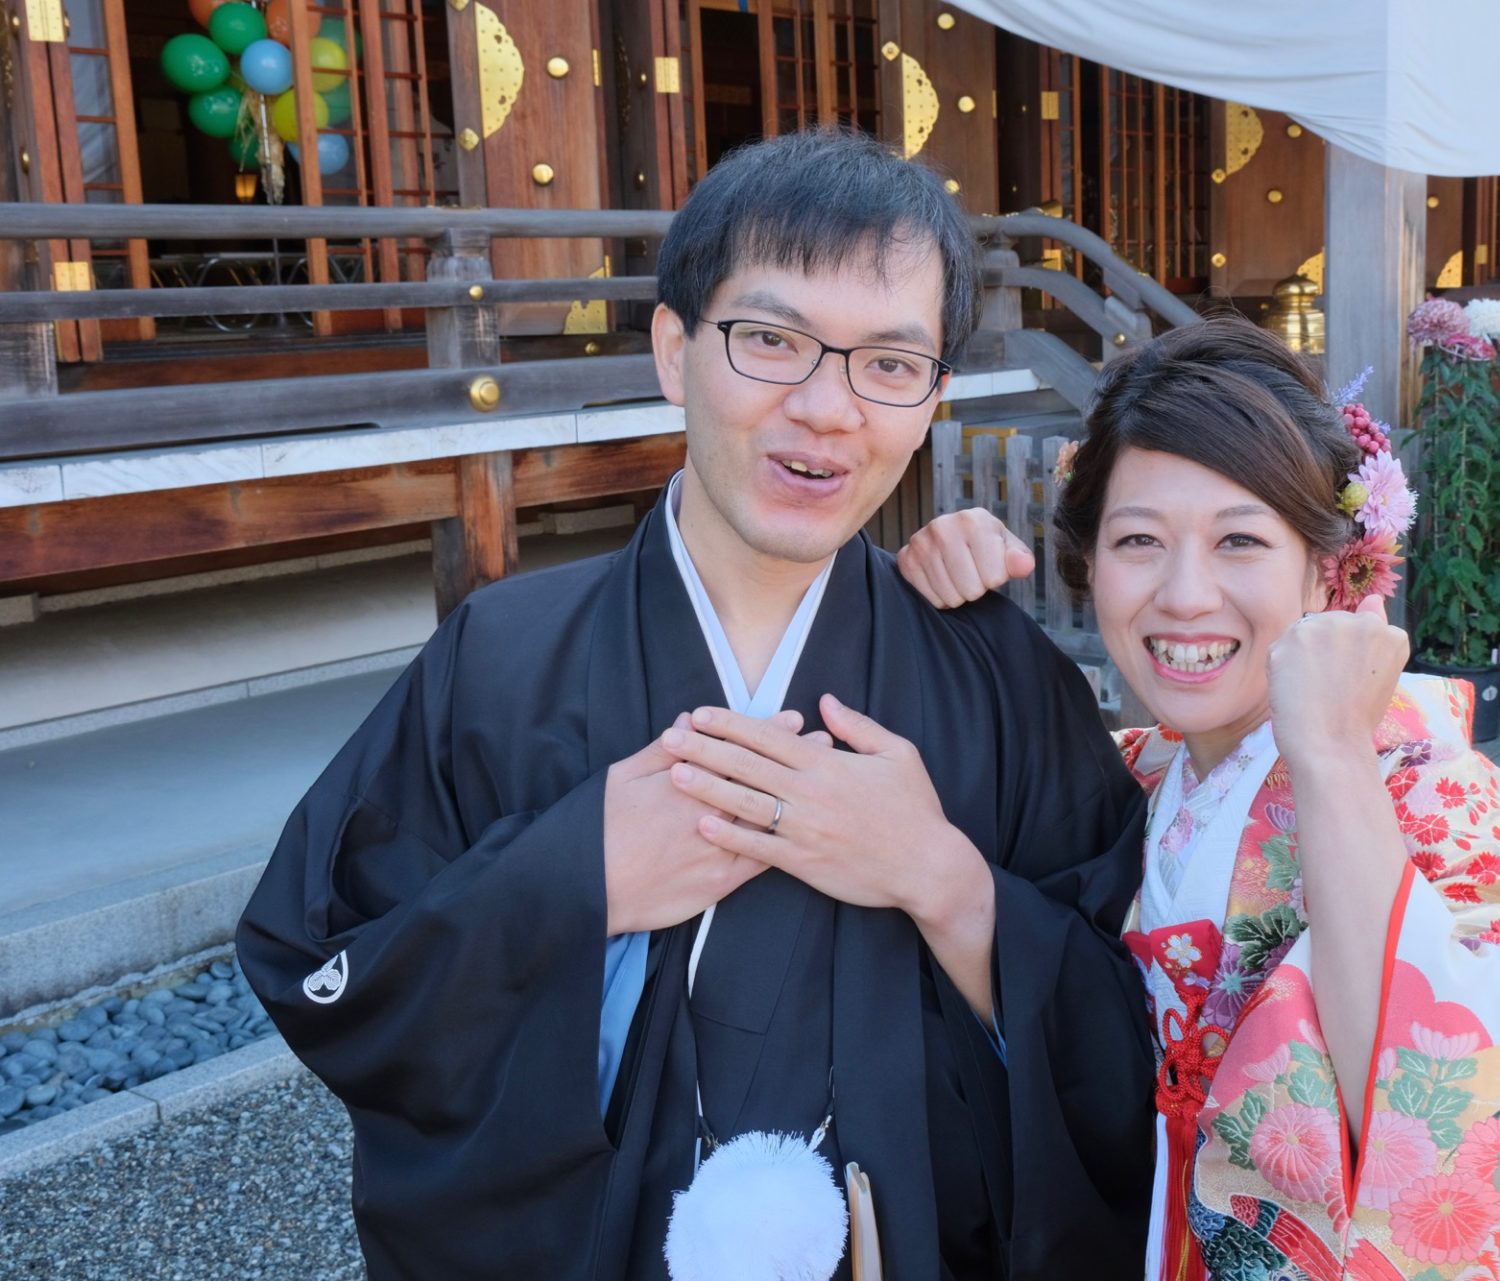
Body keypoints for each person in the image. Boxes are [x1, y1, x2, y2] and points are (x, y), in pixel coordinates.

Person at [236, 129, 1156, 1281]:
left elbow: (1131, 1032)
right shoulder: (502, 662)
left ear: (931, 398)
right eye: (771, 341)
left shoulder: (993, 675)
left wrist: (946, 883)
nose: (828, 408)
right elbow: (322, 969)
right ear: (673, 351)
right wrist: (574, 878)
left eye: (887, 363)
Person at [900, 315, 1500, 1280]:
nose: (1182, 595)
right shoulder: (1137, 771)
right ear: (1088, 562)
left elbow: (1437, 1112)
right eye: (1138, 540)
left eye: (1240, 541)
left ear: (1331, 569)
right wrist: (938, 605)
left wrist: (1335, 753)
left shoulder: (1423, 802)